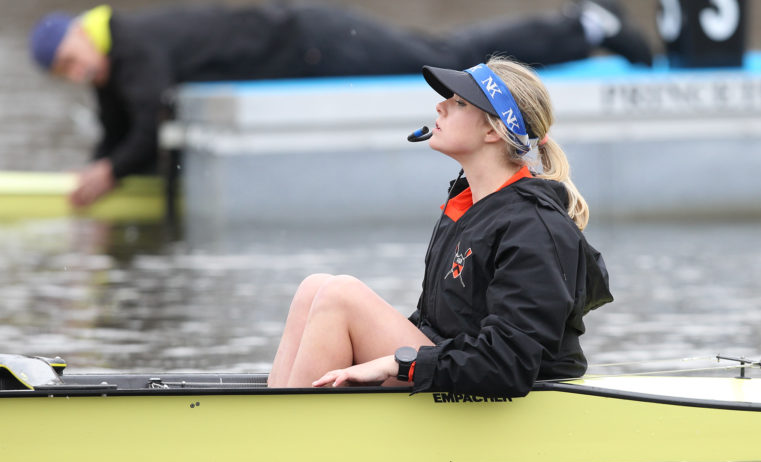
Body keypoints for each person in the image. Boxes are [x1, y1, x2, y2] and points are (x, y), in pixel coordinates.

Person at [28, 2, 653, 208]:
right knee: (440, 48)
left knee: (442, 52)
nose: (75, 73)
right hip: (300, 49)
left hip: (312, 41)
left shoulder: (135, 46)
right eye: (64, 73)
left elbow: (142, 120)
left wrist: (106, 174)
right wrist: (101, 165)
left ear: (84, 35)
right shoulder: (112, 62)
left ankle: (584, 24)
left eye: (70, 60)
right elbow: (120, 125)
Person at [266, 57, 613, 395]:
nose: (440, 107)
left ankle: (285, 440)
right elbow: (440, 327)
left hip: (517, 396)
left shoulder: (534, 227)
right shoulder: (464, 207)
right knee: (314, 287)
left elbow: (509, 363)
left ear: (494, 130)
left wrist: (398, 364)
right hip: (459, 365)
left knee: (340, 296)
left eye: (459, 102)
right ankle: (273, 424)